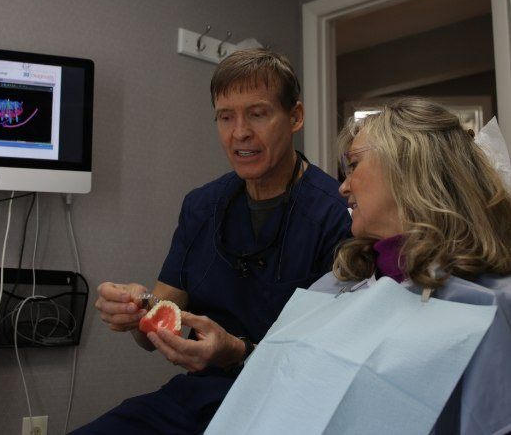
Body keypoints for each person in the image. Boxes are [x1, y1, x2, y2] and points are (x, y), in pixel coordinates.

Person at [70, 49, 352, 434]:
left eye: (258, 113)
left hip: (288, 407)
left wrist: (235, 352)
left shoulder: (335, 213)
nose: (240, 133)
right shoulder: (202, 206)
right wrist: (137, 311)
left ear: (295, 117)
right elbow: (152, 332)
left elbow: (334, 364)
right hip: (199, 398)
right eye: (225, 117)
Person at [205, 97, 511, 434]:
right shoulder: (337, 283)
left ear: (408, 166)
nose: (343, 186)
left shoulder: (486, 306)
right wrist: (237, 350)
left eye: (354, 165)